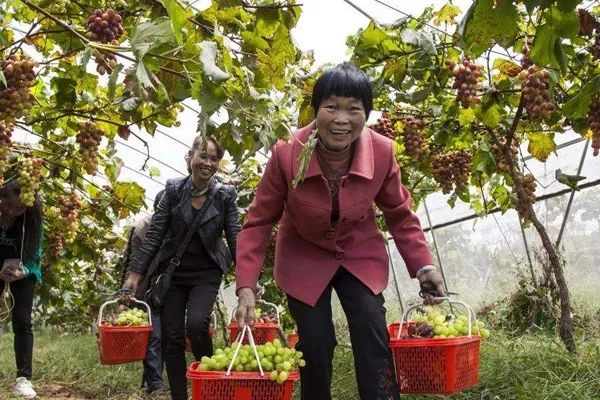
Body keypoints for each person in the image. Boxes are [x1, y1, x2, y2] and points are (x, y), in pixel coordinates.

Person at [234, 62, 446, 400]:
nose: (341, 119)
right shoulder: (286, 153)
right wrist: (246, 284)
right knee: (315, 344)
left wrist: (424, 267)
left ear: (367, 114)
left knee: (371, 331)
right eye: (331, 106)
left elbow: (399, 214)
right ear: (316, 110)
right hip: (302, 255)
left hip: (358, 252)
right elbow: (258, 222)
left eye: (354, 109)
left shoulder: (382, 152)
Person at [122, 136, 240, 400]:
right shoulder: (173, 190)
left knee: (197, 325)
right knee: (172, 337)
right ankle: (179, 396)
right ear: (190, 157)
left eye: (214, 159)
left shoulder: (225, 195)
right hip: (173, 274)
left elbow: (234, 236)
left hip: (207, 272)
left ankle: (211, 384)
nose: (208, 163)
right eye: (203, 156)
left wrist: (246, 279)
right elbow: (154, 236)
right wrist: (134, 275)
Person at [119, 189, 167, 395]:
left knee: (166, 333)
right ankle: (154, 382)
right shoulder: (142, 228)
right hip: (145, 285)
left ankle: (152, 378)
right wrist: (125, 296)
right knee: (153, 332)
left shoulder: (178, 225)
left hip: (169, 284)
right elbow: (132, 263)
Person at [0, 179, 43, 399]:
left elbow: (35, 253)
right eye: (8, 206)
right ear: (2, 197)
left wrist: (22, 272)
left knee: (23, 321)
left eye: (19, 208)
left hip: (22, 269)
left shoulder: (32, 216)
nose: (13, 211)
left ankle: (23, 378)